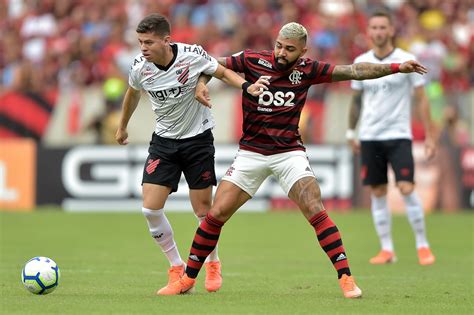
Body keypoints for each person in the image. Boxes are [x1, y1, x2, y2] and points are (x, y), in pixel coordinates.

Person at [157, 22, 428, 298]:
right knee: (215, 215)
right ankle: (188, 279)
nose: (281, 53)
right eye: (278, 46)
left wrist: (396, 68)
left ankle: (346, 277)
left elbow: (354, 71)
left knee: (315, 208)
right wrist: (202, 84)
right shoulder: (252, 59)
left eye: (289, 49)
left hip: (289, 153)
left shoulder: (308, 69)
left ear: (302, 51)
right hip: (251, 153)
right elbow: (211, 65)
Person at [115, 13, 269, 294]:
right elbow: (133, 93)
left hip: (197, 140)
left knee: (203, 211)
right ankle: (177, 267)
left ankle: (213, 263)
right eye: (140, 42)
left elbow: (220, 71)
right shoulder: (139, 68)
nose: (143, 48)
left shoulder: (191, 55)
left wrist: (247, 87)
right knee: (150, 208)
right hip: (163, 142)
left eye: (149, 42)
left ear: (166, 40)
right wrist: (122, 126)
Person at [345, 11, 436, 265]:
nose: (378, 32)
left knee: (406, 187)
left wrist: (430, 135)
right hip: (370, 136)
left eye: (383, 27)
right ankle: (387, 249)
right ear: (368, 32)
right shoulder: (361, 61)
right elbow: (356, 101)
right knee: (378, 191)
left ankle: (423, 244)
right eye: (373, 27)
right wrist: (352, 132)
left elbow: (421, 98)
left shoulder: (407, 60)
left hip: (398, 135)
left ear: (391, 30)